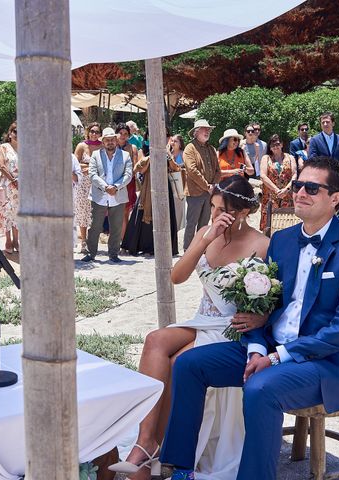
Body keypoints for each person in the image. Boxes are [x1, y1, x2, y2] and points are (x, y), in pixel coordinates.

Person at [160, 156, 339, 480]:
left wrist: (278, 356)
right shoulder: (282, 240)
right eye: (297, 186)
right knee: (189, 365)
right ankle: (182, 469)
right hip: (272, 349)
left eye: (311, 188)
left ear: (335, 198)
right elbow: (263, 307)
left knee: (261, 388)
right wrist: (255, 347)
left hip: (329, 362)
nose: (299, 193)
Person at [110, 176, 268, 480]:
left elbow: (264, 299)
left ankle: (160, 449)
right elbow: (177, 276)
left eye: (224, 209)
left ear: (244, 212)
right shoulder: (205, 232)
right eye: (213, 207)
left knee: (175, 363)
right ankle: (146, 442)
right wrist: (205, 240)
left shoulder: (261, 244)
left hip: (229, 326)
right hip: (202, 318)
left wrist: (258, 319)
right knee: (155, 339)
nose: (216, 214)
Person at [81, 127, 133, 263]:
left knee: (116, 227)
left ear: (116, 140)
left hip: (118, 194)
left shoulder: (125, 156)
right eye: (107, 140)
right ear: (103, 142)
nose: (110, 142)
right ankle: (91, 253)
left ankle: (113, 254)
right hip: (99, 195)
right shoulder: (95, 155)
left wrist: (116, 187)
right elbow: (92, 174)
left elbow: (128, 175)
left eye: (112, 140)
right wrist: (105, 187)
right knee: (94, 227)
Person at [121, 136, 180, 256]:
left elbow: (175, 168)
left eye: (167, 136)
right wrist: (151, 158)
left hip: (165, 188)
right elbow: (139, 170)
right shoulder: (145, 149)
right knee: (143, 217)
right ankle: (142, 247)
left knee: (165, 216)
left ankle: (163, 248)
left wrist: (167, 155)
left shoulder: (169, 152)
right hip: (148, 187)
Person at [182, 119, 220, 251]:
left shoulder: (211, 149)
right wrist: (207, 186)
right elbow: (192, 170)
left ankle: (200, 249)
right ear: (196, 132)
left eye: (208, 129)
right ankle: (188, 250)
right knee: (191, 223)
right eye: (205, 129)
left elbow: (217, 170)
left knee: (204, 224)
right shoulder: (189, 148)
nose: (208, 131)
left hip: (208, 192)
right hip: (195, 193)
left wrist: (214, 184)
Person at [0, 121, 20, 254]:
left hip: (21, 186)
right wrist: (13, 180)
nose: (18, 135)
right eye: (15, 132)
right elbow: (1, 166)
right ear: (10, 133)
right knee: (7, 212)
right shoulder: (4, 147)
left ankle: (16, 240)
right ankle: (8, 239)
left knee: (18, 212)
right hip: (7, 185)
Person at [73, 122, 103, 254]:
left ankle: (93, 240)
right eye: (92, 131)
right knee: (83, 211)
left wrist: (89, 168)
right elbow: (75, 164)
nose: (94, 134)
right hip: (83, 183)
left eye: (97, 132)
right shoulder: (81, 145)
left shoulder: (102, 146)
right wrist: (89, 168)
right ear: (88, 132)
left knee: (96, 211)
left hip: (97, 182)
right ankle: (83, 241)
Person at [259, 134, 297, 231]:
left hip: (287, 196)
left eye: (277, 144)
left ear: (282, 144)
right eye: (272, 145)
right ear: (270, 147)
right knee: (269, 226)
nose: (275, 146)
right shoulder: (266, 158)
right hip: (270, 197)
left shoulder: (290, 158)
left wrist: (286, 190)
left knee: (286, 224)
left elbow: (295, 175)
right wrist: (276, 190)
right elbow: (263, 176)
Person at [116, 123, 139, 239]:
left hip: (127, 183)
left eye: (125, 134)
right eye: (120, 133)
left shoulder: (132, 148)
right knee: (113, 212)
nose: (123, 136)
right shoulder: (110, 146)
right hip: (113, 182)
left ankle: (123, 240)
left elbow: (135, 167)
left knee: (125, 213)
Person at [168, 134, 187, 231]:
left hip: (179, 184)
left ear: (180, 144)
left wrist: (174, 166)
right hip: (169, 183)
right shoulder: (169, 153)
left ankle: (177, 228)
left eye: (175, 141)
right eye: (172, 141)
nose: (173, 143)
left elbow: (184, 167)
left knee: (178, 208)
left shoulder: (183, 154)